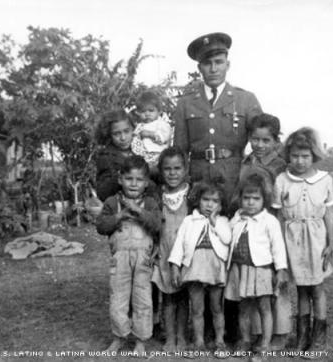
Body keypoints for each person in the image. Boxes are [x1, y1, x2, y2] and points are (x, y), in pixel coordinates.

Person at [272, 127, 333, 351]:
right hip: (292, 240)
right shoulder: (282, 180)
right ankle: (302, 337)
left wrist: (330, 243)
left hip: (317, 240)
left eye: (305, 156)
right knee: (301, 289)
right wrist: (279, 247)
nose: (300, 161)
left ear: (314, 156)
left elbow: (329, 214)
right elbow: (277, 216)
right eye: (295, 156)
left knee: (317, 288)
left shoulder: (325, 180)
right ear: (288, 155)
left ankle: (318, 339)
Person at [173, 32, 262, 206]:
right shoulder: (186, 103)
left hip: (234, 180)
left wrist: (254, 172)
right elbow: (179, 150)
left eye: (219, 62)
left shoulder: (246, 99)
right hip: (198, 181)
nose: (213, 69)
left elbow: (264, 140)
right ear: (199, 68)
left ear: (227, 65)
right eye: (207, 63)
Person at [235, 113, 292, 350]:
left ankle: (282, 332)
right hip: (252, 229)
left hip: (275, 225)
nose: (259, 145)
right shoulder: (247, 162)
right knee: (255, 287)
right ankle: (256, 334)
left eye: (266, 140)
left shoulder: (280, 165)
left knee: (278, 282)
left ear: (276, 141)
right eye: (255, 139)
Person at [96, 155, 162, 355]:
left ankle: (141, 341)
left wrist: (137, 211)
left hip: (143, 260)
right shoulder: (112, 202)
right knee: (118, 299)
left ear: (146, 183)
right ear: (120, 179)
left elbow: (157, 225)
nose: (134, 184)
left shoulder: (150, 202)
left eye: (139, 180)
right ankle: (119, 336)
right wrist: (119, 216)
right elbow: (101, 225)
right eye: (129, 179)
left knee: (142, 299)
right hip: (120, 260)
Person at [225, 173, 288, 355]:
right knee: (243, 307)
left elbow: (278, 246)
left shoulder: (269, 221)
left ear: (264, 200)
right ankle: (245, 340)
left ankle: (265, 344)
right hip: (240, 269)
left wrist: (281, 269)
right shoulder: (237, 219)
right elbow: (227, 238)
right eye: (246, 198)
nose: (250, 202)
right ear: (240, 198)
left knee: (264, 307)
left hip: (261, 271)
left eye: (256, 198)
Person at [168, 179, 231, 352]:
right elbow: (179, 244)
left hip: (215, 267)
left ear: (220, 204)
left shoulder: (223, 221)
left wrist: (213, 221)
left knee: (217, 307)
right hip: (194, 266)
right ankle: (198, 341)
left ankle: (219, 341)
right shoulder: (189, 220)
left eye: (215, 201)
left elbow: (227, 239)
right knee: (197, 308)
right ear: (198, 200)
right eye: (206, 200)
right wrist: (175, 266)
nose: (210, 204)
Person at [151, 147, 190, 352]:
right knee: (167, 297)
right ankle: (170, 337)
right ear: (161, 171)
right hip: (165, 253)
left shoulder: (190, 195)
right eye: (167, 169)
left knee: (183, 299)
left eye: (177, 168)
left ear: (185, 169)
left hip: (185, 255)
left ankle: (182, 336)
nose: (172, 173)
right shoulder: (158, 196)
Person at [94, 109, 135, 202]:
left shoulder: (138, 150)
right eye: (117, 134)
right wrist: (121, 174)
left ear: (132, 129)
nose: (123, 138)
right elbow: (102, 193)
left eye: (126, 131)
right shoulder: (106, 157)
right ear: (109, 135)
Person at [131, 91, 172, 172]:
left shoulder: (162, 124)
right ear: (138, 113)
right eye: (143, 111)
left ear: (159, 111)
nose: (147, 114)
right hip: (142, 156)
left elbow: (163, 138)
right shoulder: (140, 125)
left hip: (156, 154)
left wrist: (150, 134)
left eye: (151, 110)